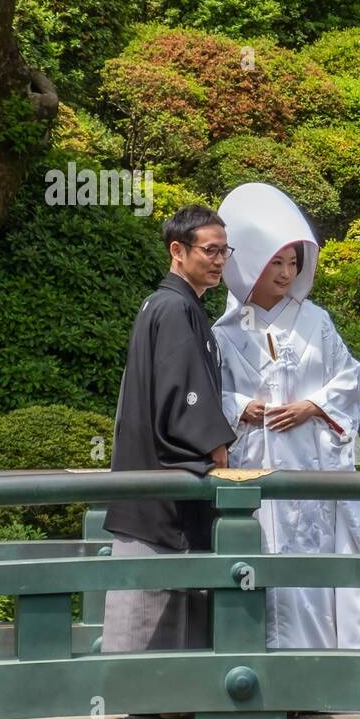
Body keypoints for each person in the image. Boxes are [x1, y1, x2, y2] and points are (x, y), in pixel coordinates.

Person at [213, 182, 360, 650]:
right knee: (255, 559)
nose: (286, 274)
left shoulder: (316, 322)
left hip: (309, 465)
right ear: (251, 263)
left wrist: (313, 405)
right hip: (254, 465)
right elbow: (211, 392)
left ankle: (313, 671)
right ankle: (254, 664)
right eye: (276, 262)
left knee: (309, 562)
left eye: (293, 262)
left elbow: (348, 378)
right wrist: (240, 406)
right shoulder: (222, 332)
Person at [101, 204, 237, 653]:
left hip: (147, 471)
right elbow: (183, 394)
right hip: (162, 483)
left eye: (224, 251)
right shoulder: (175, 307)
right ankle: (156, 697)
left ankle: (161, 699)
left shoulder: (169, 304)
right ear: (177, 250)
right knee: (159, 590)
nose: (218, 261)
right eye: (210, 250)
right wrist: (215, 444)